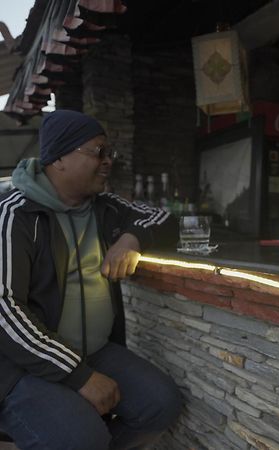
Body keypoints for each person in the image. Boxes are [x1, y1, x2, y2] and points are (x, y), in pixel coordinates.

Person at [0, 110, 182, 449]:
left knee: (161, 403)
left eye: (109, 152)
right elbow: (4, 310)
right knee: (82, 438)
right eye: (98, 151)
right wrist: (78, 375)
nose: (108, 161)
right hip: (24, 363)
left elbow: (163, 216)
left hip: (94, 350)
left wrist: (131, 239)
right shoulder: (16, 215)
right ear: (59, 159)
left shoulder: (104, 207)